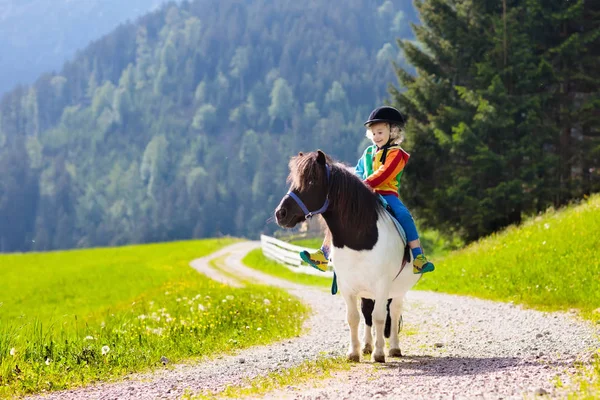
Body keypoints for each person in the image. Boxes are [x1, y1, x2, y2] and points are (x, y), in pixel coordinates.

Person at [300, 106, 435, 275]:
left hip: (386, 194)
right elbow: (359, 170)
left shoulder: (397, 154)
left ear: (393, 132)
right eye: (374, 133)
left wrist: (363, 185)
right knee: (338, 215)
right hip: (364, 193)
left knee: (404, 215)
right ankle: (323, 254)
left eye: (380, 132)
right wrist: (353, 185)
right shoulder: (369, 152)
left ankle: (418, 257)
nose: (376, 137)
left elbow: (384, 174)